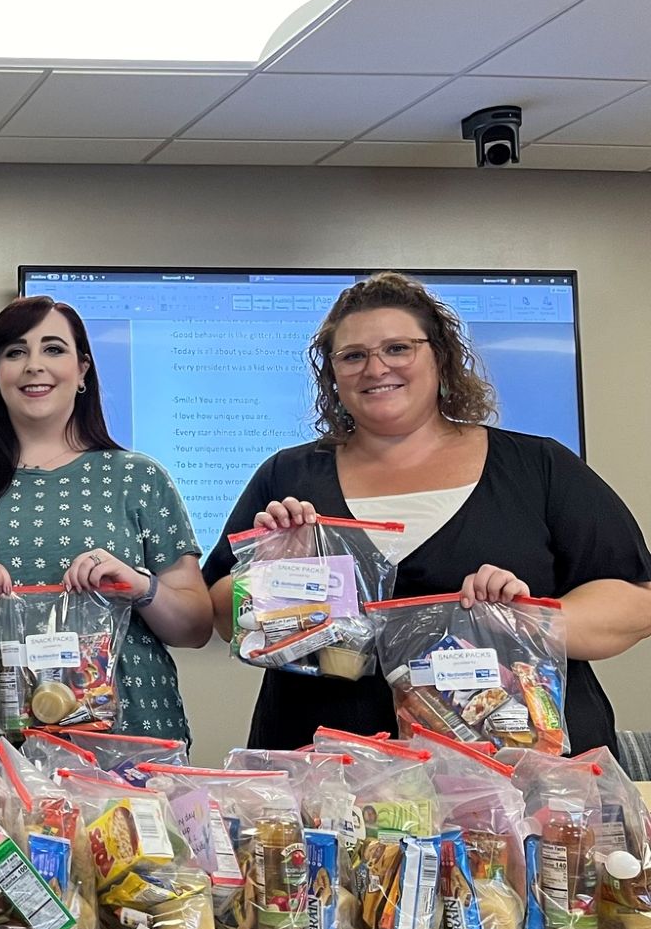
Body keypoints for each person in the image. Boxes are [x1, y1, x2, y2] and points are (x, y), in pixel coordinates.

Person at [203, 272, 651, 753]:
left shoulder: (538, 467)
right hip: (327, 769)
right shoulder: (288, 475)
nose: (375, 368)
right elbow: (226, 617)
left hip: (517, 769)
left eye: (398, 348)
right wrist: (272, 578)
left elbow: (636, 600)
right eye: (353, 356)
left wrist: (523, 622)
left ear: (439, 356)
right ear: (332, 374)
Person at [0, 296, 212, 737]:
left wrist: (140, 585)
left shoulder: (140, 478)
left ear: (83, 370)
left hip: (124, 738)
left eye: (53, 349)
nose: (34, 365)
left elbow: (196, 627)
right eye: (15, 352)